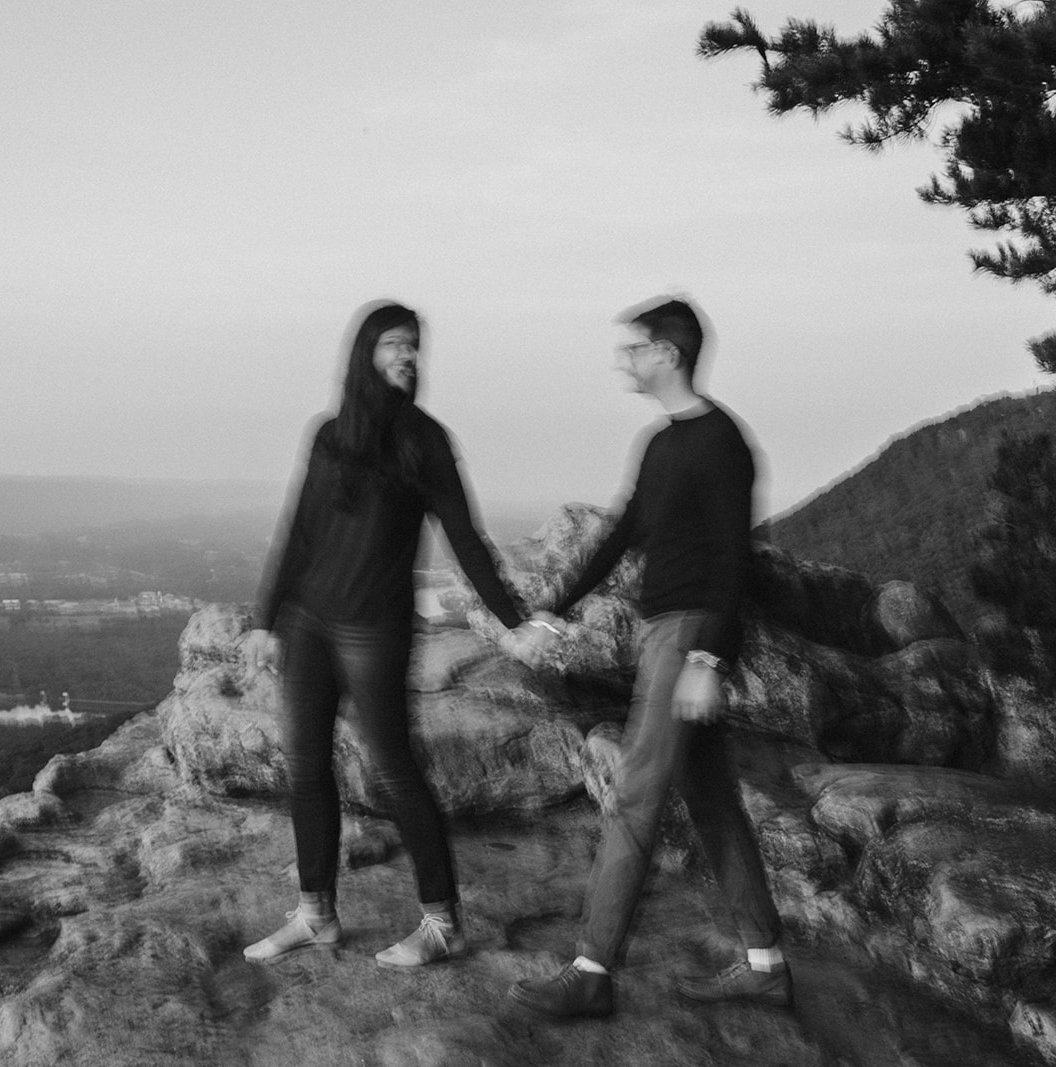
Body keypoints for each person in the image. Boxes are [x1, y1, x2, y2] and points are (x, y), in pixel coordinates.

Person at [507, 296, 789, 1017]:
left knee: (634, 798)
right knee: (714, 802)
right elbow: (619, 533)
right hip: (662, 631)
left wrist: (708, 657)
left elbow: (734, 558)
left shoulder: (721, 441)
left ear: (668, 353)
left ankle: (591, 971)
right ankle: (765, 963)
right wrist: (553, 607)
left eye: (634, 348)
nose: (622, 359)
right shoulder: (660, 444)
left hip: (688, 633)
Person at [241, 300, 543, 969]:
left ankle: (442, 922)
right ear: (365, 353)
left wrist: (514, 617)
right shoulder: (330, 435)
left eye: (414, 346)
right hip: (310, 623)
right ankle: (316, 912)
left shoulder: (425, 441)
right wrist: (265, 618)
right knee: (306, 765)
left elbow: (466, 536)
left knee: (395, 772)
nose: (406, 357)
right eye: (393, 344)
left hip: (374, 631)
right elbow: (299, 530)